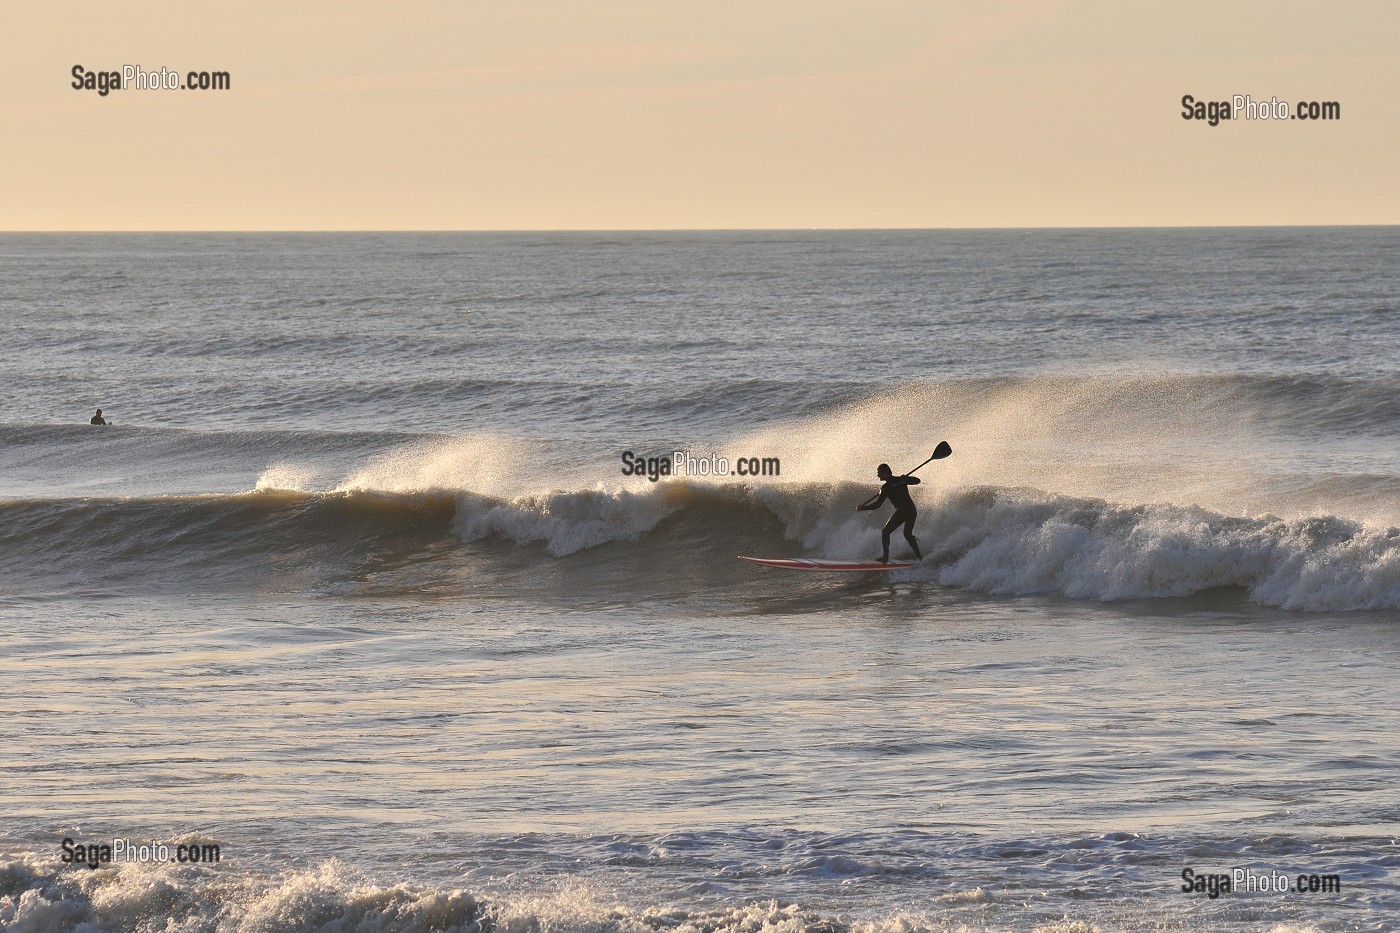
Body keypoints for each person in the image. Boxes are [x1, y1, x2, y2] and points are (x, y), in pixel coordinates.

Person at [856, 463, 923, 563]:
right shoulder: (888, 486)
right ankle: (919, 557)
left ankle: (887, 558)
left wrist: (907, 478)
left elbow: (917, 481)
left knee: (893, 532)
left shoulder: (898, 481)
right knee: (904, 534)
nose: (878, 475)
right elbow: (877, 504)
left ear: (885, 472)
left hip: (908, 511)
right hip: (907, 511)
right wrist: (864, 507)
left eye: (879, 473)